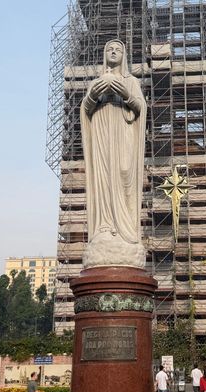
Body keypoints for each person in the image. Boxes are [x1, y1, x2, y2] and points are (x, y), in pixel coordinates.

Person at [80, 38, 147, 268]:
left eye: (118, 49)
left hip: (124, 136)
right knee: (104, 181)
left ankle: (126, 230)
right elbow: (85, 110)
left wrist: (126, 94)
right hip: (101, 137)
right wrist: (92, 97)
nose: (114, 52)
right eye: (110, 49)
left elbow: (141, 108)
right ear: (104, 54)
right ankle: (105, 226)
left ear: (124, 55)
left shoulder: (131, 81)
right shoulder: (96, 82)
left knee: (123, 175)